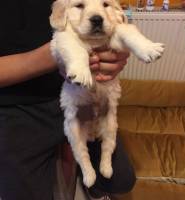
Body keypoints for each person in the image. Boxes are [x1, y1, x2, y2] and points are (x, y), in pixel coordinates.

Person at [0, 0, 136, 200]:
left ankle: (87, 181)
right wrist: (56, 54)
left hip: (82, 91)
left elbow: (107, 13)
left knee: (121, 179)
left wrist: (117, 49)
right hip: (17, 104)